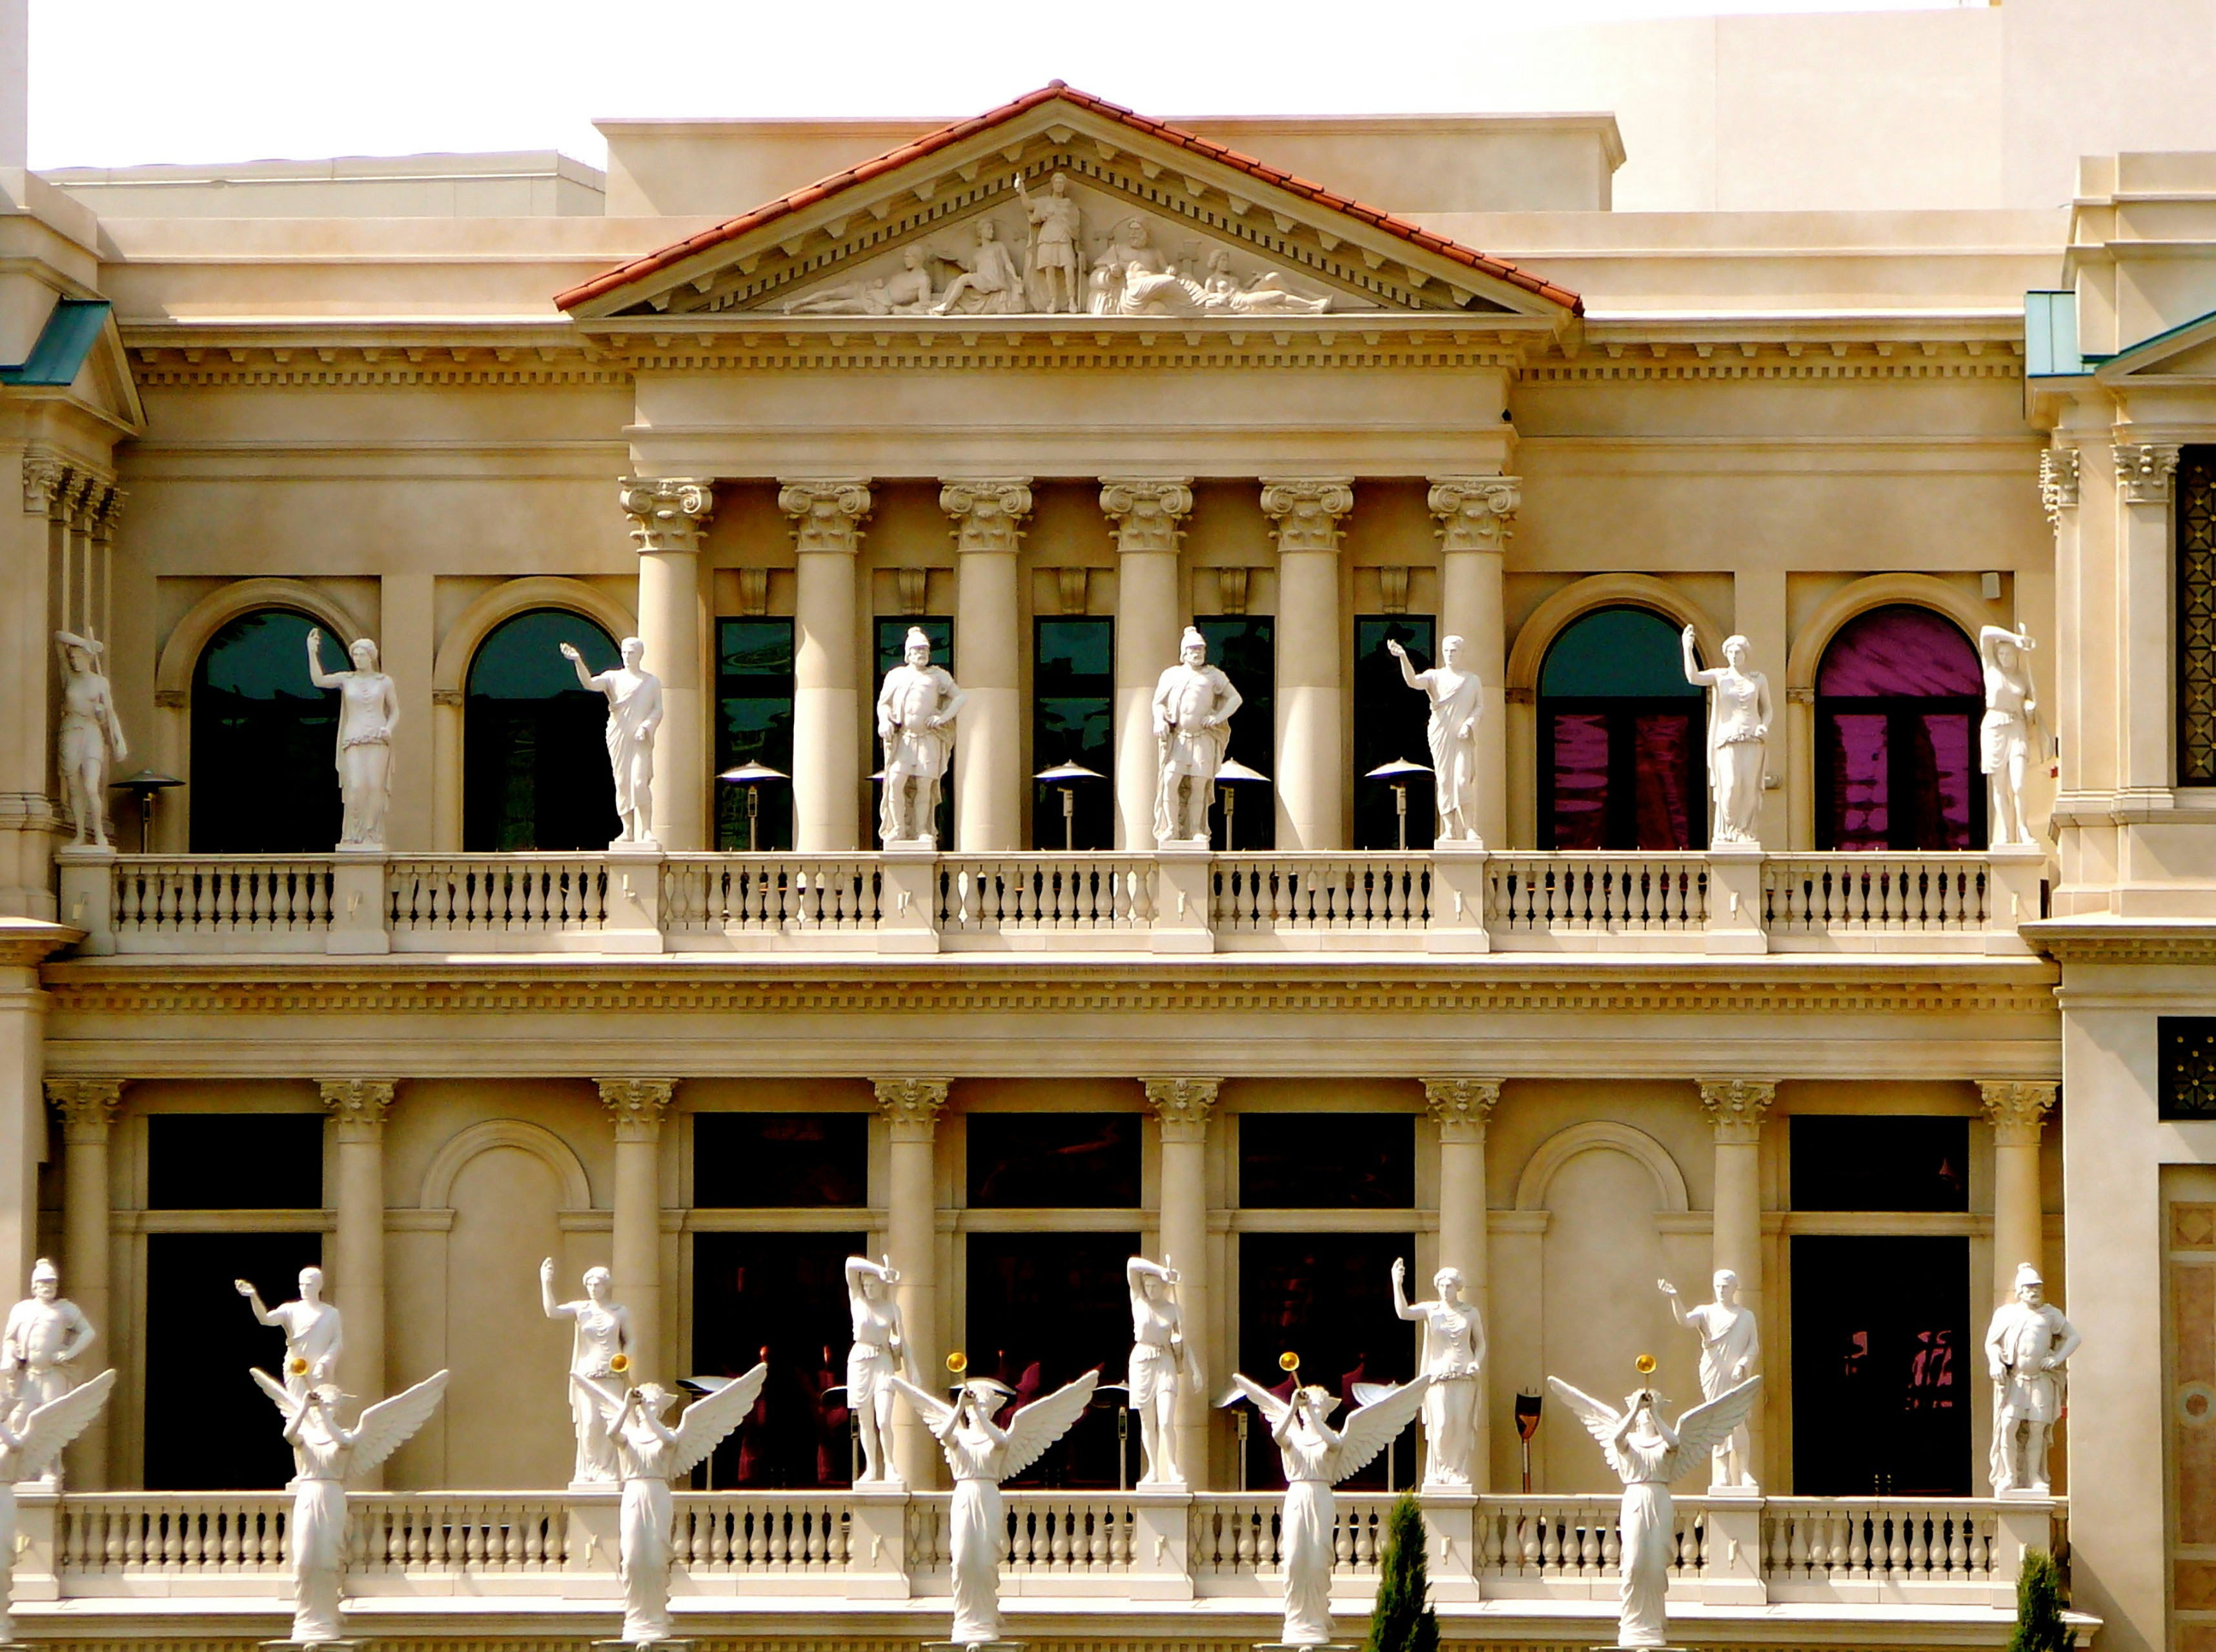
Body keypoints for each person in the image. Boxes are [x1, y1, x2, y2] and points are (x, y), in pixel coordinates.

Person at [1391, 1257, 1487, 1486]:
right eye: (1441, 1286)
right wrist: (1397, 1283)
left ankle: (1456, 1470)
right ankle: (1441, 1470)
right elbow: (1404, 1313)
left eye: (1449, 1286)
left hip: (1464, 1375)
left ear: (1457, 1288)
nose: (1445, 1290)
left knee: (1461, 1424)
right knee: (1442, 1424)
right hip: (1439, 1376)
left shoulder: (1470, 1313)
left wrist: (1476, 1362)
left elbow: (1481, 1343)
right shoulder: (1431, 1310)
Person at [1658, 1270, 1760, 1485]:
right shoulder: (1706, 1312)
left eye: (1726, 1286)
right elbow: (1685, 1321)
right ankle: (1722, 1471)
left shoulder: (1746, 1316)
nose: (1721, 1290)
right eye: (1718, 1286)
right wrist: (1675, 1297)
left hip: (1735, 1376)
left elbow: (1753, 1347)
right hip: (1713, 1371)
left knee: (1738, 1421)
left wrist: (1742, 1365)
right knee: (1716, 1421)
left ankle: (1743, 1471)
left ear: (1735, 1288)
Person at [1984, 1262, 2079, 1493]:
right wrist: (1995, 1362)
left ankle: (2034, 1475)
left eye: (2037, 1288)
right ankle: (2009, 1475)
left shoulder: (2050, 1315)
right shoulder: (2006, 1315)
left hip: (2040, 1380)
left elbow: (2074, 1337)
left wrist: (2057, 1358)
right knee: (2008, 1426)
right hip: (2016, 1380)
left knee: (2037, 1429)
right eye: (2028, 1288)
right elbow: (1992, 1343)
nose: (2034, 1292)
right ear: (2020, 1291)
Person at [561, 636, 662, 847]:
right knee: (623, 783)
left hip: (640, 739)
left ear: (640, 655)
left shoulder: (651, 681)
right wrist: (578, 661)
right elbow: (589, 684)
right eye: (624, 652)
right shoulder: (613, 678)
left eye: (631, 652)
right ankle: (627, 830)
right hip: (618, 734)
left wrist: (646, 726)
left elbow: (658, 709)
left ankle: (646, 830)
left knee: (639, 782)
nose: (627, 656)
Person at [305, 628, 398, 851]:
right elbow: (319, 680)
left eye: (361, 654)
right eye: (355, 655)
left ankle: (371, 833)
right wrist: (312, 652)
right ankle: (355, 834)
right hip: (353, 737)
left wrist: (388, 728)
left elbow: (395, 710)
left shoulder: (384, 681)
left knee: (375, 786)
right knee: (356, 786)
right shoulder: (346, 679)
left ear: (370, 656)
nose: (357, 658)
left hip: (377, 736)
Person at [541, 1258, 631, 1484]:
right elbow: (552, 1312)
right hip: (587, 1374)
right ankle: (590, 1469)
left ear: (606, 1286)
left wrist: (623, 1359)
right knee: (590, 1424)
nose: (593, 1289)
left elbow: (632, 1341)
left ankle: (608, 1471)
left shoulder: (619, 1312)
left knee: (610, 1423)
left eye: (597, 1284)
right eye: (589, 1285)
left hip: (612, 1373)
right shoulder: (581, 1309)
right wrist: (546, 1282)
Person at [1387, 634, 1483, 843]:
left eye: (1454, 651)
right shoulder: (1434, 677)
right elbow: (1412, 682)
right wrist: (1403, 656)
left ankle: (1469, 829)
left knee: (1462, 780)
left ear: (1461, 653)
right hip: (1440, 733)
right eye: (1446, 650)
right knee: (1446, 781)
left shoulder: (1472, 680)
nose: (1449, 654)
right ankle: (1449, 829)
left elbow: (1479, 707)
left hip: (1462, 737)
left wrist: (1468, 724)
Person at [875, 627, 966, 845]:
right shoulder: (896, 676)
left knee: (925, 786)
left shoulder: (938, 676)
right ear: (908, 653)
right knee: (896, 782)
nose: (921, 653)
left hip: (927, 738)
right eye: (916, 649)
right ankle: (898, 828)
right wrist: (885, 721)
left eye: (924, 649)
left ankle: (922, 830)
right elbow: (883, 705)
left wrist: (943, 718)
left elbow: (960, 698)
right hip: (904, 739)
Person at [1151, 628, 1242, 843]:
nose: (1197, 653)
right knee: (1170, 781)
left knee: (1199, 786)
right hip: (1179, 738)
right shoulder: (1171, 675)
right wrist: (1159, 720)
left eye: (1200, 649)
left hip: (1202, 738)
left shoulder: (1213, 675)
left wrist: (1218, 717)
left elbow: (1235, 699)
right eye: (1193, 649)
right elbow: (1158, 703)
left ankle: (1195, 830)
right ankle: (1172, 828)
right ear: (1184, 652)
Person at [1683, 626, 1771, 845]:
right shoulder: (1720, 677)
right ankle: (1728, 832)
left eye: (1738, 652)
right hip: (1727, 739)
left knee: (1749, 787)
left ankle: (1745, 832)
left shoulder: (1758, 679)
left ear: (1745, 654)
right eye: (1730, 652)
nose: (1734, 656)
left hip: (1752, 738)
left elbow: (1768, 709)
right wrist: (1687, 649)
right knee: (1731, 786)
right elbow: (1693, 678)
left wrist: (1764, 725)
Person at [1, 1260, 95, 1453]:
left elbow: (88, 1332)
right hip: (28, 1375)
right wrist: (8, 1358)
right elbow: (9, 1339)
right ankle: (18, 1468)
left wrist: (69, 1353)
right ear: (34, 1286)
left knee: (52, 1423)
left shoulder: (64, 1309)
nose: (48, 1287)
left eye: (51, 1283)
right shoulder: (22, 1309)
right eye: (43, 1283)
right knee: (19, 1417)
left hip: (52, 1374)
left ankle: (49, 1470)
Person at [52, 630, 126, 849]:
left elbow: (110, 716)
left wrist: (117, 738)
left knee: (91, 787)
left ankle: (99, 834)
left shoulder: (101, 682)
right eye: (72, 657)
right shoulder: (69, 676)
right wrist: (85, 643)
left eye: (79, 657)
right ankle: (80, 833)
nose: (74, 661)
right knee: (74, 787)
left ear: (88, 659)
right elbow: (58, 637)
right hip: (70, 730)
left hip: (91, 731)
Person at [1126, 1256, 1193, 1485]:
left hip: (1165, 1360)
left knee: (1165, 1421)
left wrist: (1194, 1370)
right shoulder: (1139, 1302)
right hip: (1142, 1361)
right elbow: (1132, 1264)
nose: (1151, 1289)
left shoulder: (1173, 1309)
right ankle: (1153, 1469)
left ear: (1164, 1287)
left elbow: (1186, 1342)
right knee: (1147, 1422)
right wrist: (1161, 1270)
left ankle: (1172, 1467)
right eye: (1148, 1285)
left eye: (1155, 1285)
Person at [844, 1255, 908, 1484]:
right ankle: (871, 1468)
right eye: (866, 1285)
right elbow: (850, 1264)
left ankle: (889, 1465)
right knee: (864, 1421)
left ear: (882, 1287)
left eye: (873, 1285)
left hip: (883, 1360)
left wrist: (897, 1346)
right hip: (860, 1360)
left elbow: (902, 1343)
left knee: (883, 1419)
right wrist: (879, 1269)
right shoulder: (857, 1300)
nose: (868, 1289)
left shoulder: (892, 1309)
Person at [236, 1268, 343, 1398]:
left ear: (319, 1286)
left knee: (320, 1406)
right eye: (301, 1284)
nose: (304, 1288)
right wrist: (254, 1296)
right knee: (296, 1404)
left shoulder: (331, 1313)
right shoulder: (290, 1310)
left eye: (309, 1285)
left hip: (319, 1370)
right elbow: (266, 1320)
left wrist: (323, 1363)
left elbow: (337, 1342)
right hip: (296, 1366)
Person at [1980, 625, 2040, 848]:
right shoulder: (1992, 669)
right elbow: (1986, 632)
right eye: (2002, 653)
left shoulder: (2023, 678)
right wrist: (2016, 638)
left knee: (2019, 784)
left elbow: (2031, 707)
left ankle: (2023, 828)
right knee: (1999, 786)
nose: (2004, 657)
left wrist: (2029, 707)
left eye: (2009, 653)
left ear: (2016, 656)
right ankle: (2006, 833)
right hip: (1995, 727)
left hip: (2017, 728)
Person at [1016, 171, 1083, 313]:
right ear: (1052, 185)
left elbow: (1075, 225)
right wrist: (1021, 190)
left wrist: (1078, 247)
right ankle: (1053, 301)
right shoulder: (1045, 202)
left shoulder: (1069, 204)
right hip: (1047, 238)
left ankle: (1072, 300)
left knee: (1069, 268)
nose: (1059, 185)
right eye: (1057, 182)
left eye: (1061, 183)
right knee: (1050, 271)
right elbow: (1028, 206)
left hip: (1064, 237)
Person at [932, 219, 1024, 316]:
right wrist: (951, 261)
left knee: (964, 278)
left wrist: (1014, 277)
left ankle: (947, 306)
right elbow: (969, 269)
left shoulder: (998, 246)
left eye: (992, 229)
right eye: (989, 229)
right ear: (981, 232)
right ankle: (952, 307)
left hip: (994, 279)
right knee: (954, 283)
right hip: (983, 280)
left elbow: (1007, 264)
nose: (992, 231)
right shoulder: (976, 252)